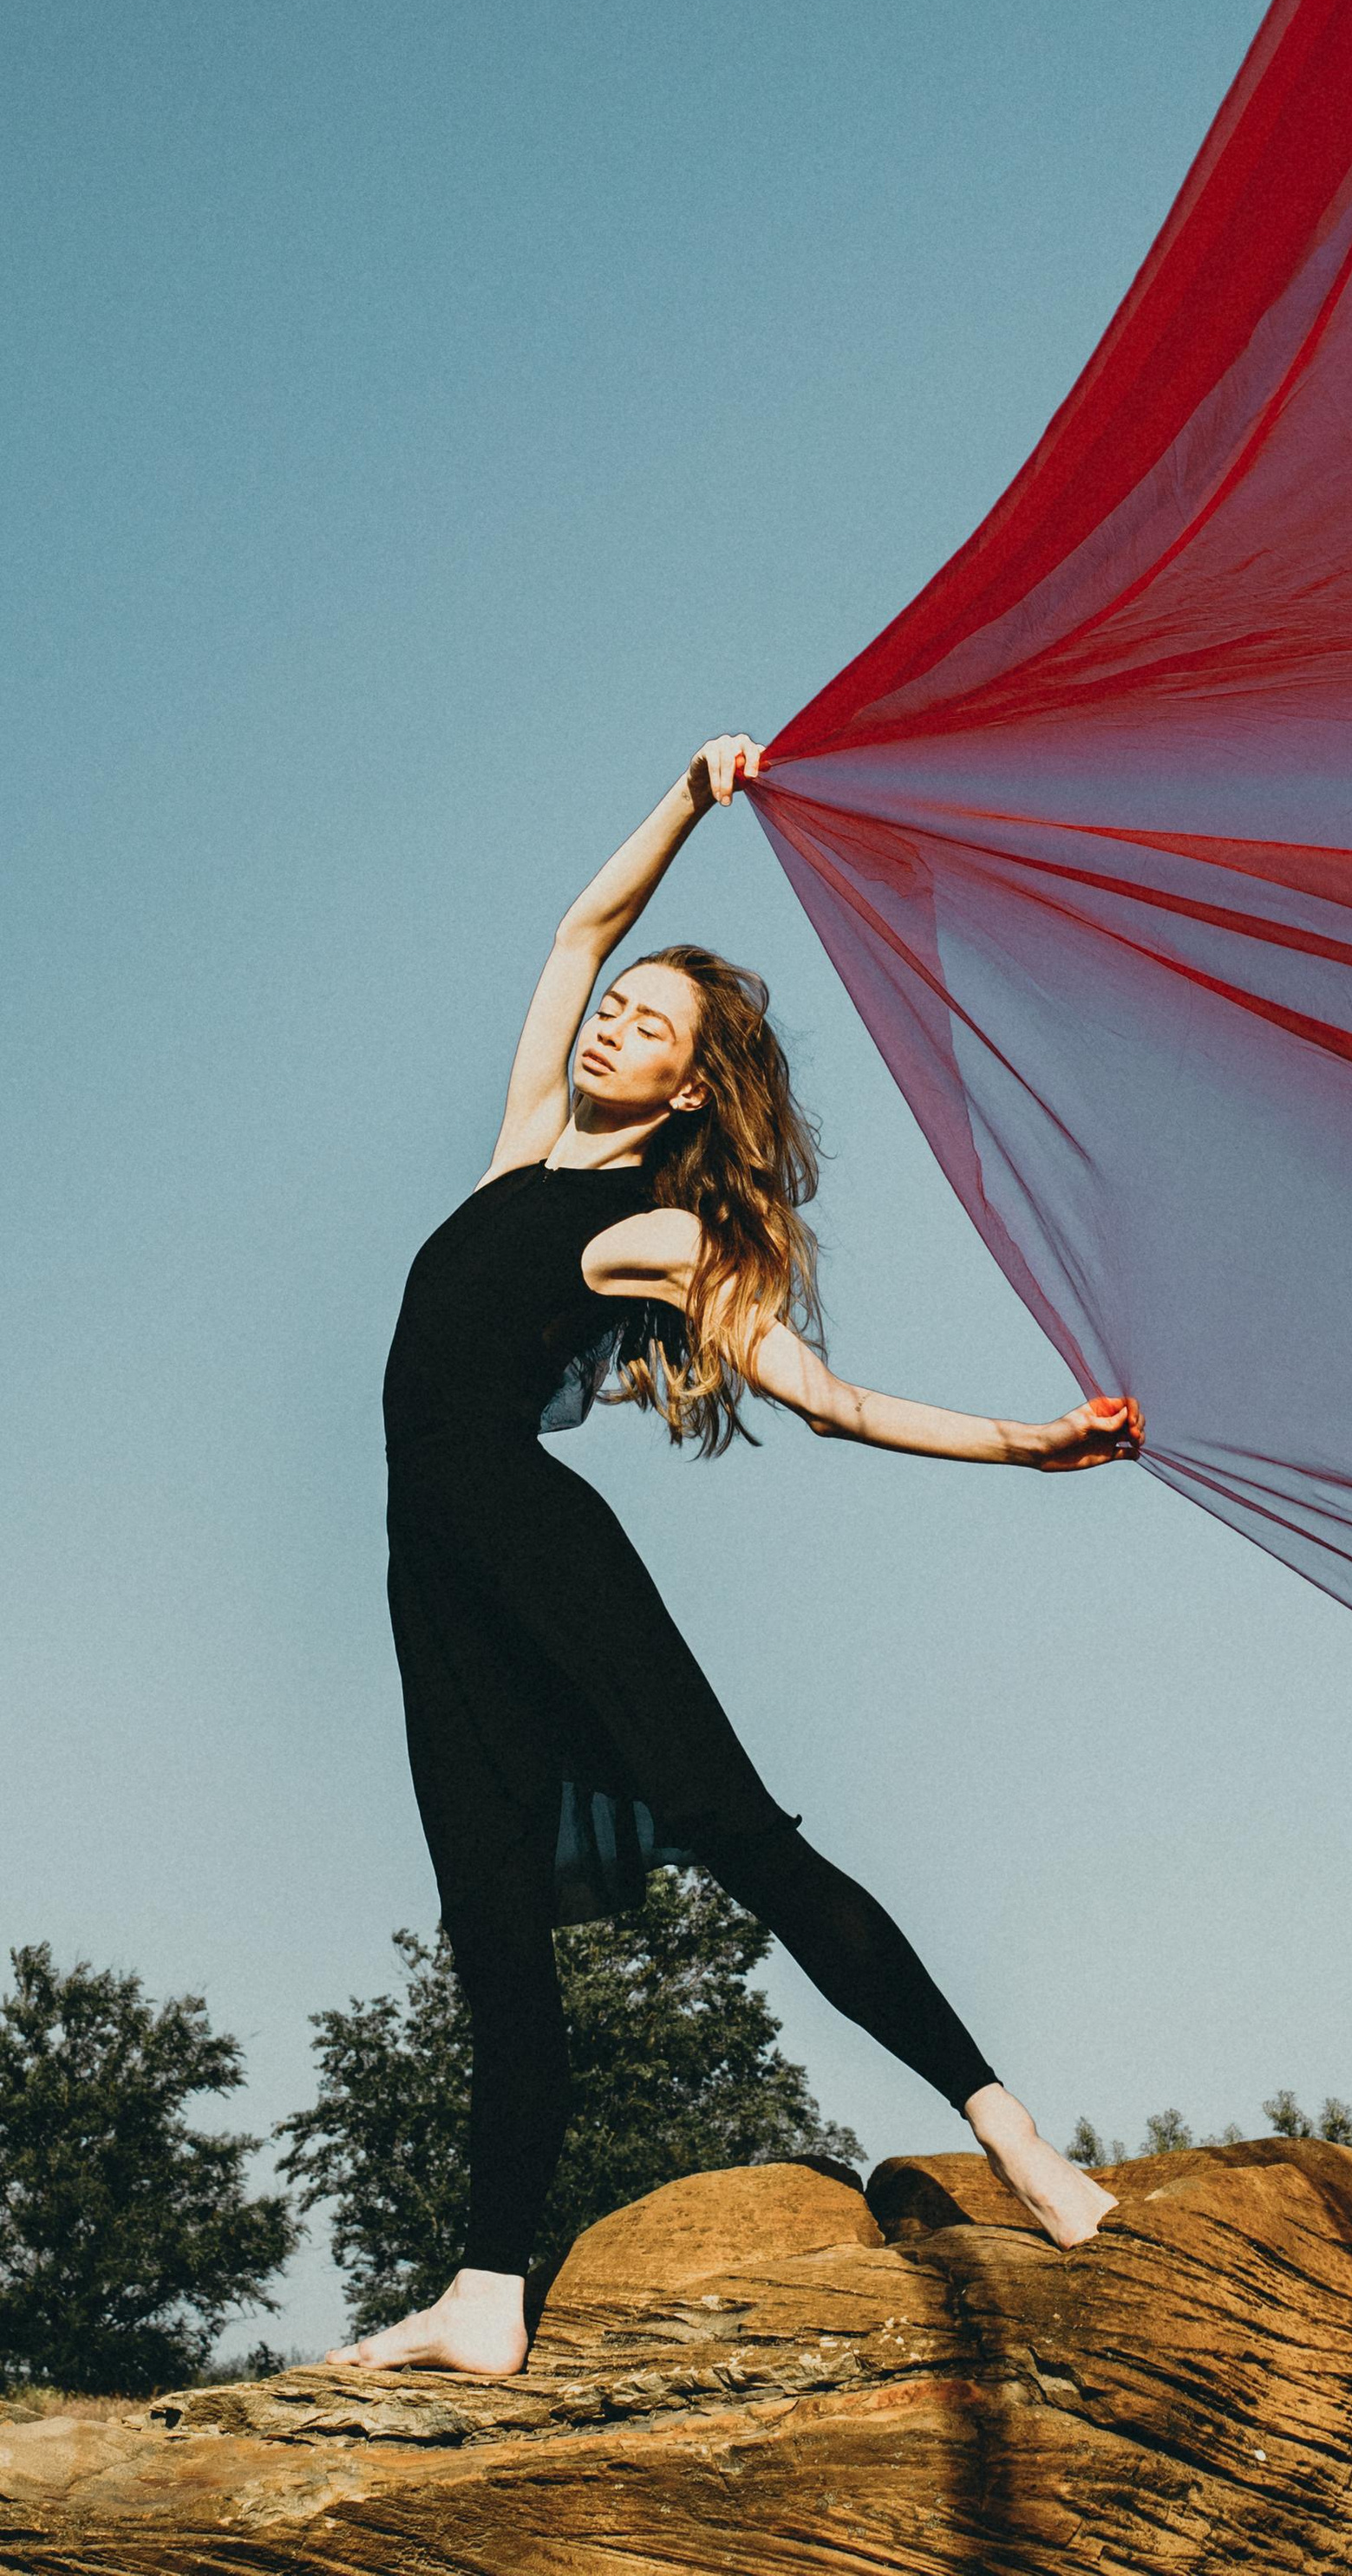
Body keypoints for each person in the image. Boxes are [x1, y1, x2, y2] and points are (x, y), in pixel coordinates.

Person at [334, 734, 1143, 2378]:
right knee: (487, 1922)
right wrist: (685, 806)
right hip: (433, 1577)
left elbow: (824, 1402)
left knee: (739, 1836)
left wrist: (1026, 1440)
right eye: (619, 1007)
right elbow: (577, 930)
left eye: (652, 1024)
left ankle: (1024, 2151)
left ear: (689, 1091)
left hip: (538, 1548)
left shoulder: (656, 1226)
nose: (614, 1017)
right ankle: (488, 2295)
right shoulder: (515, 1157)